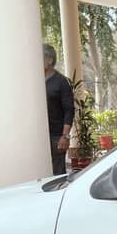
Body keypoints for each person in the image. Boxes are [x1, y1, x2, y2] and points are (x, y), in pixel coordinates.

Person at [43, 44, 74, 175]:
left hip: (56, 137)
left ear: (50, 60)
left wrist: (65, 136)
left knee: (57, 175)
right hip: (37, 137)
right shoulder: (32, 80)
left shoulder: (61, 82)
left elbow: (69, 110)